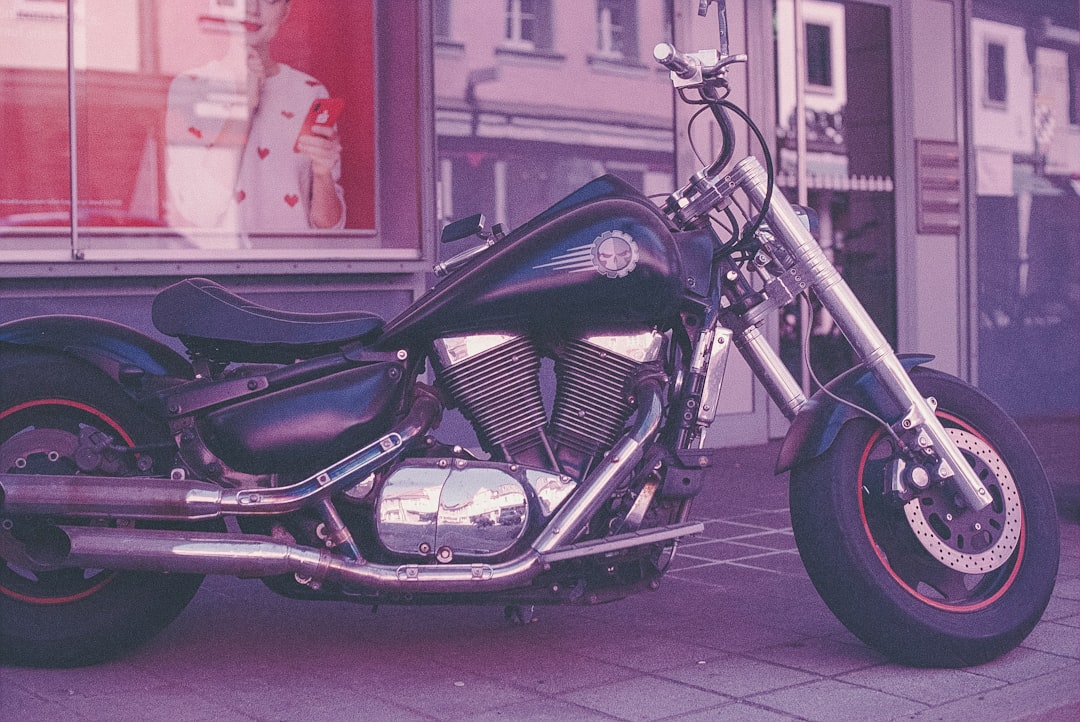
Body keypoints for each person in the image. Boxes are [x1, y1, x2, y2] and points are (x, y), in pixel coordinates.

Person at [165, 0, 344, 240]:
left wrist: (323, 175)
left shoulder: (311, 92)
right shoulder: (190, 88)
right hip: (222, 272)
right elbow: (199, 213)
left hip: (295, 270)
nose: (251, 9)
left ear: (285, 10)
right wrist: (243, 107)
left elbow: (330, 229)